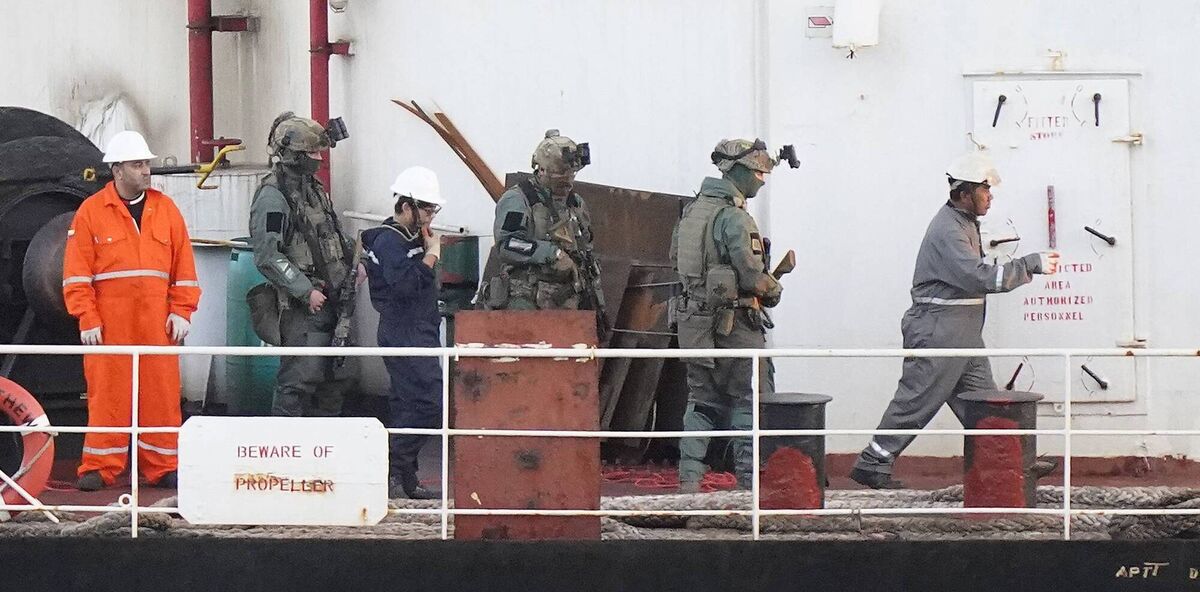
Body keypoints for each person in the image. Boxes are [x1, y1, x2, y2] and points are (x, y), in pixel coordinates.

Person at [849, 151, 1060, 489]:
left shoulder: (964, 224)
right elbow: (980, 278)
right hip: (939, 331)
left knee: (982, 402)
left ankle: (1008, 463)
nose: (990, 197)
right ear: (963, 194)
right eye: (984, 190)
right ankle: (874, 460)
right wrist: (1029, 264)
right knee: (917, 399)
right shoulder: (949, 230)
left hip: (960, 332)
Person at [63, 130, 201, 491]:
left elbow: (183, 268)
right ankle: (100, 467)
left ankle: (163, 466)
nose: (146, 171)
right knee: (107, 393)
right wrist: (87, 316)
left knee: (162, 393)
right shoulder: (91, 213)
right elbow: (76, 273)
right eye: (138, 164)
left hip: (159, 323)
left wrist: (182, 311)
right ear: (117, 169)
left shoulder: (166, 210)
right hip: (110, 324)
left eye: (147, 164)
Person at [671, 138, 785, 493]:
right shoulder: (735, 217)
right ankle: (748, 488)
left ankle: (688, 484)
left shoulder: (692, 212)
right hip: (735, 327)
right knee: (748, 401)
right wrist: (773, 289)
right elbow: (752, 276)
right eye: (757, 173)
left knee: (701, 403)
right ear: (735, 171)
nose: (762, 180)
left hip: (695, 326)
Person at [248, 112, 358, 417]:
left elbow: (330, 232)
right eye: (312, 153)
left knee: (336, 380)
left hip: (334, 301)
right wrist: (304, 290)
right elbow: (268, 256)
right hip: (301, 309)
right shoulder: (273, 196)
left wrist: (354, 261)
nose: (319, 158)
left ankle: (324, 454)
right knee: (298, 381)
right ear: (293, 155)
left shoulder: (313, 189)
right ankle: (287, 452)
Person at [362, 166, 445, 500]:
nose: (430, 216)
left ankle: (404, 479)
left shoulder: (407, 238)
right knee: (428, 402)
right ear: (406, 206)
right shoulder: (389, 241)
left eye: (433, 209)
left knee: (407, 405)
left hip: (419, 329)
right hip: (404, 331)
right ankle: (394, 471)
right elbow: (404, 286)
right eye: (425, 208)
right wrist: (431, 256)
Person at [481, 129, 600, 313]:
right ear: (542, 170)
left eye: (572, 174)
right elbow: (508, 244)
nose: (568, 182)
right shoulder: (518, 200)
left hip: (567, 302)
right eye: (561, 175)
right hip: (526, 301)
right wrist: (552, 253)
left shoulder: (575, 204)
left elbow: (586, 247)